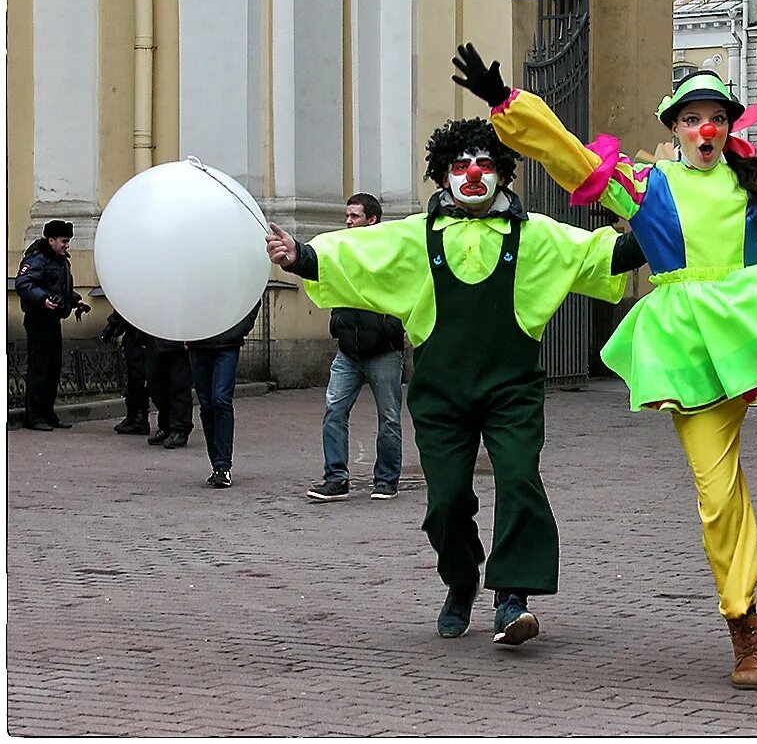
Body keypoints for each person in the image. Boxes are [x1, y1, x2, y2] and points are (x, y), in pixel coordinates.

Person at [455, 41, 757, 689]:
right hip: (690, 348)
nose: (705, 128)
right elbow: (568, 156)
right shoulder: (647, 186)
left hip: (748, 327)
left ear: (729, 126)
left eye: (714, 116)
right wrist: (505, 104)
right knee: (718, 495)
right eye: (691, 118)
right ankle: (744, 621)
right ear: (675, 130)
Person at [266, 118, 645, 648]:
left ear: (503, 175)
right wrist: (300, 256)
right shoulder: (416, 237)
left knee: (518, 481)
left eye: (485, 164)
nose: (473, 173)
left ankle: (512, 597)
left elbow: (599, 255)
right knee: (445, 501)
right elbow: (357, 256)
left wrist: (655, 224)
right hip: (441, 392)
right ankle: (461, 579)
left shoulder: (533, 235)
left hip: (511, 388)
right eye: (461, 165)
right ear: (443, 175)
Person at [301, 193, 407, 503]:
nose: (348, 221)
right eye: (347, 216)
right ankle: (336, 478)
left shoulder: (390, 251)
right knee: (334, 410)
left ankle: (386, 480)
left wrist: (391, 326)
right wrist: (338, 324)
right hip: (348, 351)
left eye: (355, 216)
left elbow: (404, 289)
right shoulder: (342, 249)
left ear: (372, 219)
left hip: (384, 351)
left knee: (389, 417)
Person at [15, 220, 90, 431]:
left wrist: (75, 301)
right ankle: (35, 416)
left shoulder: (60, 261)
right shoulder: (37, 259)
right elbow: (23, 283)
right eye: (64, 241)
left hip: (53, 319)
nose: (67, 245)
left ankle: (48, 413)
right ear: (51, 240)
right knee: (39, 368)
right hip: (38, 319)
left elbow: (61, 288)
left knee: (53, 369)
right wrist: (41, 300)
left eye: (68, 241)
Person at [186, 303, 261, 489]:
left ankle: (222, 465)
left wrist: (239, 329)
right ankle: (217, 466)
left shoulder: (234, 273)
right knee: (207, 404)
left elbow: (252, 294)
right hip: (199, 342)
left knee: (220, 399)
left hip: (227, 343)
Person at [101, 310, 150, 436]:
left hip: (141, 333)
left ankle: (139, 419)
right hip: (136, 332)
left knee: (138, 377)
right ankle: (134, 416)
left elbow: (128, 306)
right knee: (134, 376)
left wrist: (113, 325)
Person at [146, 336, 194, 450]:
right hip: (155, 338)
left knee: (179, 385)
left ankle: (180, 429)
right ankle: (166, 425)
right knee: (156, 385)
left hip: (178, 340)